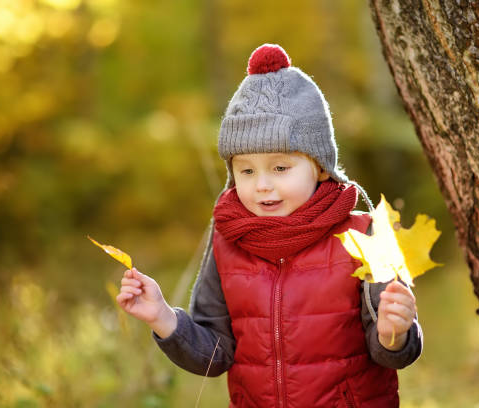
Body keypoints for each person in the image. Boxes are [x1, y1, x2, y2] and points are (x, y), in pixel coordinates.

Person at [117, 44, 422, 407]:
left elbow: (393, 354)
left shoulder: (365, 235)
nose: (262, 184)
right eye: (246, 170)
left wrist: (394, 333)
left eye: (280, 168)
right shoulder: (228, 241)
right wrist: (164, 319)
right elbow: (216, 354)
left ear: (321, 167)